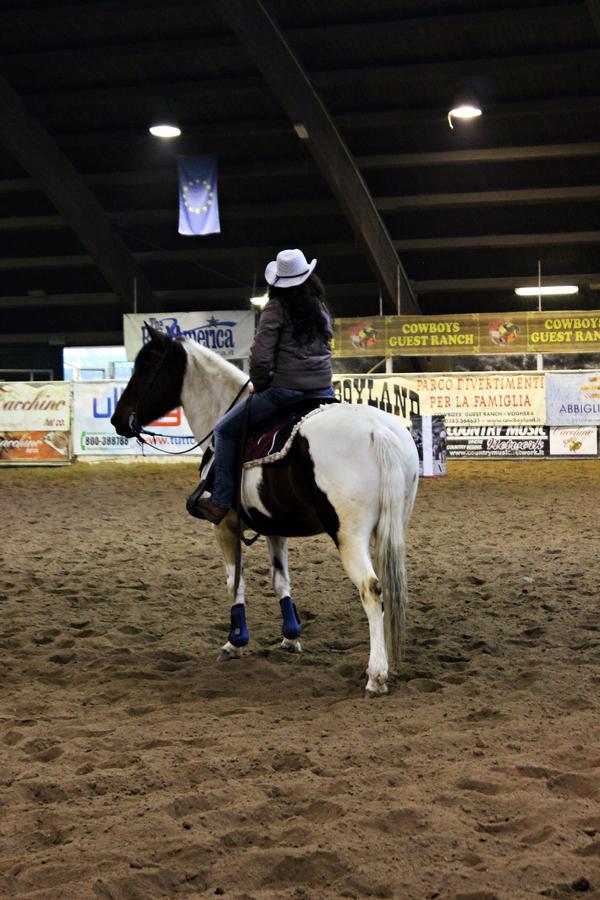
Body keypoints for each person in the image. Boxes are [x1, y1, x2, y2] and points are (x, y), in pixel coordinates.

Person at [193, 248, 334, 524]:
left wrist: (259, 383)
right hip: (323, 392)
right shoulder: (319, 307)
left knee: (224, 430)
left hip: (285, 392)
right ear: (307, 277)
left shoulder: (276, 309)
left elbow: (260, 356)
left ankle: (221, 500)